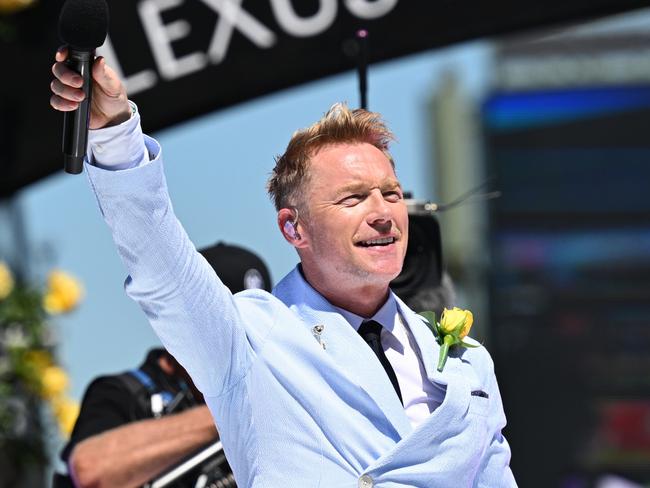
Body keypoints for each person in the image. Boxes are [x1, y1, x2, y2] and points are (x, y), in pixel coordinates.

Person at [50, 49, 517, 487]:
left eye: (390, 194)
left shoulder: (466, 361)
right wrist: (114, 133)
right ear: (294, 229)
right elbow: (162, 267)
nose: (383, 212)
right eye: (353, 198)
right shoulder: (251, 338)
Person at [53, 243, 271, 488]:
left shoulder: (271, 401)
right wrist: (229, 411)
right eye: (227, 330)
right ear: (182, 323)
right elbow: (90, 470)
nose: (244, 345)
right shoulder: (121, 394)